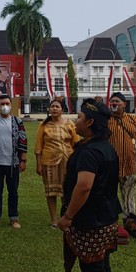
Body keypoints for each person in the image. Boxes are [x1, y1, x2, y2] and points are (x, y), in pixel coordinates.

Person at [58, 99, 121, 272]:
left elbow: (84, 186)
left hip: (91, 222)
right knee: (102, 266)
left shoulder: (90, 152)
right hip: (106, 216)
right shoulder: (106, 147)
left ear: (89, 122)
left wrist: (68, 216)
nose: (74, 121)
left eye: (79, 117)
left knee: (93, 271)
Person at [0, 95, 27, 229]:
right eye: (2, 104)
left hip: (13, 163)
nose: (5, 106)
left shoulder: (17, 122)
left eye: (7, 103)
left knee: (13, 192)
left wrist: (23, 160)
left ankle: (14, 218)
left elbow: (23, 141)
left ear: (11, 105)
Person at [35, 98, 79, 228]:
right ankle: (54, 220)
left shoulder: (70, 124)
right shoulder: (44, 125)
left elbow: (75, 143)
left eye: (57, 107)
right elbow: (38, 147)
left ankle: (66, 217)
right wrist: (38, 164)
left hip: (67, 161)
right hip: (49, 162)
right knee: (51, 191)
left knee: (67, 190)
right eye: (52, 106)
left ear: (62, 110)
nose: (54, 108)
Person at [107, 92, 136, 219]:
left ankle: (130, 220)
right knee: (108, 194)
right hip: (110, 165)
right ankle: (109, 222)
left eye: (117, 101)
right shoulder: (105, 120)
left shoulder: (134, 120)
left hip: (129, 164)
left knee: (128, 195)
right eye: (112, 102)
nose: (114, 104)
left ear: (124, 104)